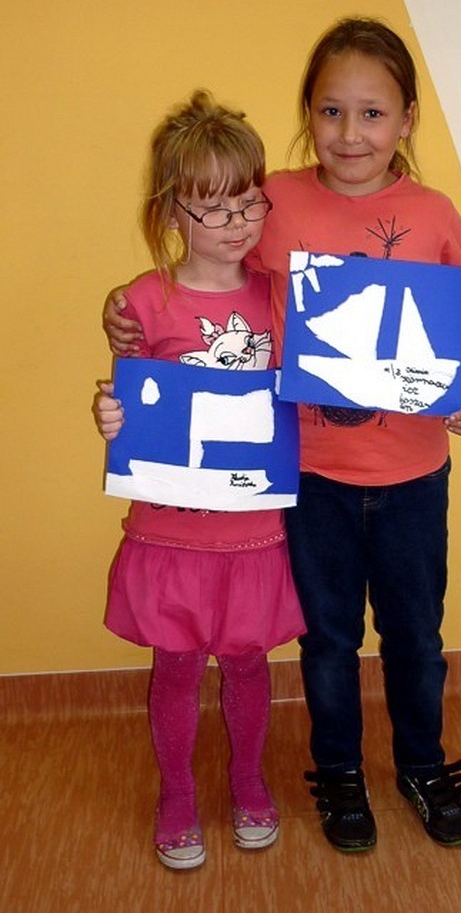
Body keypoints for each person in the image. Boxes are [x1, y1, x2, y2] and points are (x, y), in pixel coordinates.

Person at [103, 18, 461, 855]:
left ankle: (422, 766)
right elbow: (211, 283)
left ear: (407, 120)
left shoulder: (433, 213)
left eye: (372, 113)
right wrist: (128, 311)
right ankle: (339, 773)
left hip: (412, 471)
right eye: (331, 111)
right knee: (327, 640)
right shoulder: (274, 200)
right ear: (308, 114)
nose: (350, 133)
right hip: (310, 476)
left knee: (416, 636)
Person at [92, 90, 305, 870]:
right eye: (214, 208)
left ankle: (247, 779)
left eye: (249, 202)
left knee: (249, 665)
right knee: (176, 669)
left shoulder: (281, 296)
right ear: (172, 212)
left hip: (255, 532)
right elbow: (133, 404)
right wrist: (111, 417)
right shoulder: (144, 303)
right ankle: (176, 793)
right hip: (172, 532)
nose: (238, 222)